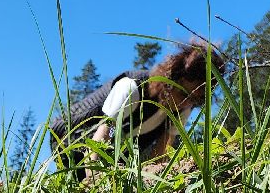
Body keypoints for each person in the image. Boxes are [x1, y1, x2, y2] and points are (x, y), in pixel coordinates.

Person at [49, 40, 226, 179]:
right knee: (78, 188)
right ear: (171, 78)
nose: (185, 102)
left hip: (113, 148)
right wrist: (91, 180)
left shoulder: (183, 107)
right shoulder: (133, 88)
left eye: (195, 99)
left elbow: (161, 152)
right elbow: (103, 135)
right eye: (182, 93)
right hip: (72, 138)